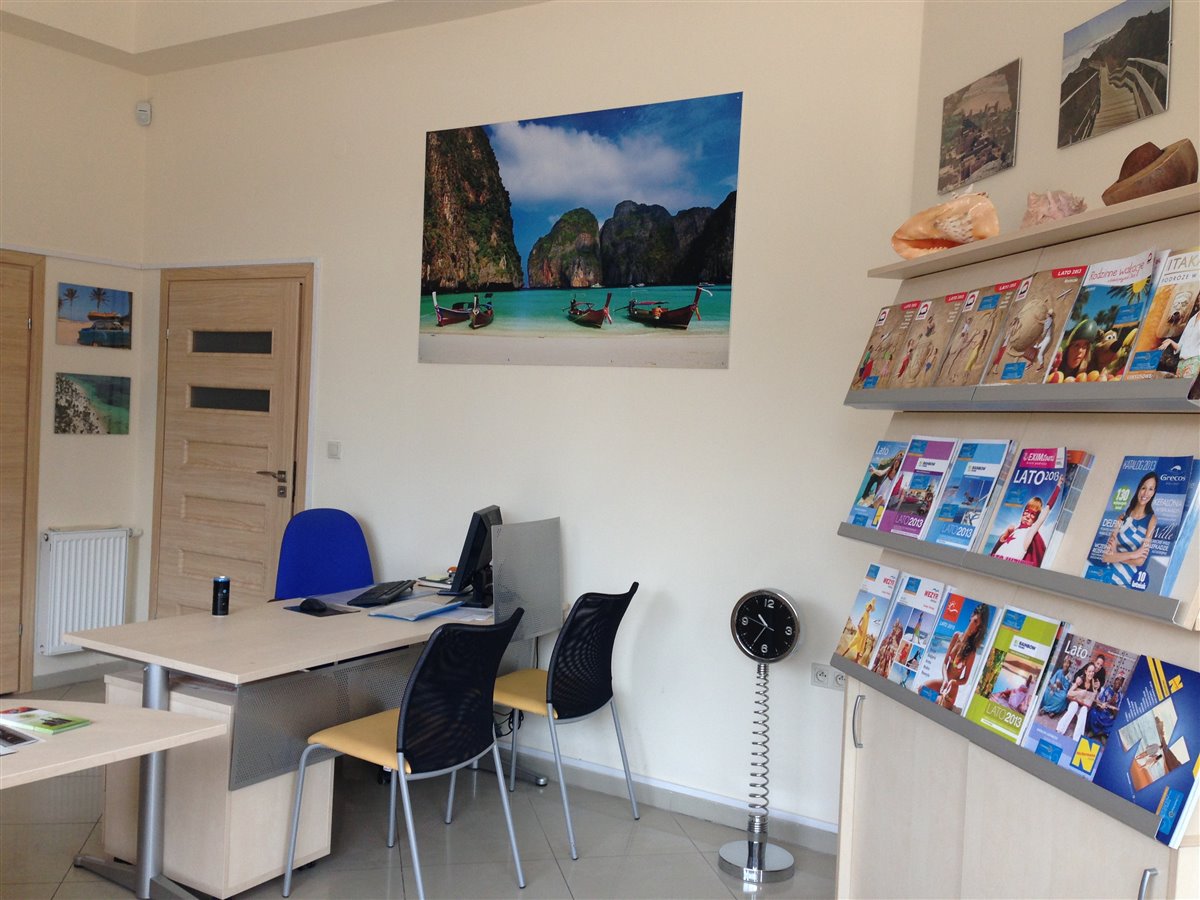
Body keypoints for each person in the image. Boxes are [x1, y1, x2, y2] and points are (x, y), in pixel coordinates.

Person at [921, 603, 990, 711]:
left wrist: (953, 682)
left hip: (952, 689)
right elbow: (945, 663)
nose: (974, 628)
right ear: (972, 616)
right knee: (921, 689)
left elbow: (965, 679)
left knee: (941, 703)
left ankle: (941, 699)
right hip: (943, 682)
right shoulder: (956, 636)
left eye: (978, 627)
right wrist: (945, 680)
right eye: (975, 621)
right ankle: (940, 698)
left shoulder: (971, 652)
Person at [1099, 472, 1157, 588]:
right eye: (1143, 488)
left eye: (1150, 489)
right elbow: (1105, 557)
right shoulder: (1121, 517)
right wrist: (1134, 554)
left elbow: (1140, 561)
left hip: (1127, 581)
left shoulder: (1152, 520)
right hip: (1107, 576)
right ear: (1139, 489)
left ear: (1154, 492)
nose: (1146, 493)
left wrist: (1115, 556)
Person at [990, 479, 1062, 566]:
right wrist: (1006, 535)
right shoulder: (1014, 530)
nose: (1028, 516)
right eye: (1027, 512)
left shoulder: (1029, 533)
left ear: (1035, 519)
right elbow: (995, 551)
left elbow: (1046, 510)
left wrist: (1058, 487)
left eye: (1033, 514)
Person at [1159, 292, 1200, 381]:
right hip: (1181, 363)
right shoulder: (1192, 319)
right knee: (1179, 388)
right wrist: (1170, 341)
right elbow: (1180, 346)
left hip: (1195, 361)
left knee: (1185, 387)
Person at [1057, 662, 1100, 741]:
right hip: (1075, 702)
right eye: (1089, 671)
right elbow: (1069, 693)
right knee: (1074, 706)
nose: (1091, 673)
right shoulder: (1080, 679)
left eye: (1093, 672)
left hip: (1084, 706)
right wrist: (1079, 692)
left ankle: (1077, 739)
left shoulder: (1094, 683)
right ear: (1085, 671)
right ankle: (1059, 730)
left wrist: (1096, 690)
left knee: (1084, 711)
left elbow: (1093, 699)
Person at [1086, 673, 1125, 739]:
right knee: (1093, 713)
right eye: (1117, 680)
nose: (1118, 682)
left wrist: (1114, 704)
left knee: (1115, 723)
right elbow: (1099, 703)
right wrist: (1109, 702)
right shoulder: (1107, 689)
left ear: (1122, 684)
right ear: (1114, 681)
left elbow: (1116, 713)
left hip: (1109, 715)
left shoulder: (1120, 696)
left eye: (1120, 681)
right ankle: (1097, 732)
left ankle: (1097, 733)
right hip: (1101, 711)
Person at [844, 597, 876, 664]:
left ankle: (856, 660)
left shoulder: (868, 615)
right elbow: (859, 624)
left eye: (870, 607)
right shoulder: (864, 613)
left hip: (863, 633)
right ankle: (843, 654)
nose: (869, 608)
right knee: (853, 642)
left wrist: (864, 633)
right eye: (869, 606)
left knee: (860, 645)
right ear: (867, 606)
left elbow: (866, 625)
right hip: (860, 632)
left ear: (871, 609)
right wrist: (860, 631)